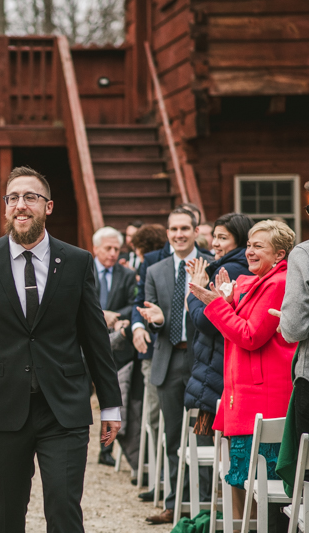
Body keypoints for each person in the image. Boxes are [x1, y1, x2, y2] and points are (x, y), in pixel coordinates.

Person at [0, 166, 122, 533]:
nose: (21, 205)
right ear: (6, 208)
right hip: (3, 405)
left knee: (64, 508)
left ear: (48, 206)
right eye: (13, 198)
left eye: (31, 197)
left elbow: (94, 339)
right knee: (7, 510)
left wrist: (110, 404)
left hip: (65, 407)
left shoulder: (77, 261)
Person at [190, 219, 296, 523]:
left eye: (257, 246)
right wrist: (226, 301)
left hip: (264, 399)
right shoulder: (260, 281)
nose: (248, 251)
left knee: (269, 489)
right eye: (248, 244)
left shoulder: (278, 283)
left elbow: (250, 336)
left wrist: (218, 306)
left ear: (278, 255)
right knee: (250, 485)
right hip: (247, 394)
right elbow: (239, 330)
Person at [136, 208, 214, 524]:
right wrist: (154, 322)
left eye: (184, 228)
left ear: (195, 231)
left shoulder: (210, 263)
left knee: (204, 435)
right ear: (167, 233)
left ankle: (206, 506)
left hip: (202, 360)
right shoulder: (155, 270)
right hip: (169, 359)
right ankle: (174, 503)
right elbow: (149, 311)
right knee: (172, 436)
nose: (179, 234)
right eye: (173, 229)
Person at [184, 213, 253, 435]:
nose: (214, 243)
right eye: (214, 236)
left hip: (219, 365)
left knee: (217, 443)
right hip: (220, 363)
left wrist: (194, 291)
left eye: (223, 238)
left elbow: (205, 321)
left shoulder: (229, 269)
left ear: (240, 240)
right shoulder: (238, 265)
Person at [92, 226, 138, 468]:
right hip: (84, 343)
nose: (112, 253)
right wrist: (101, 315)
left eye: (116, 249)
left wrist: (116, 315)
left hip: (116, 345)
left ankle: (106, 448)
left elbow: (134, 304)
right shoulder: (84, 270)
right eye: (107, 248)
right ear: (95, 248)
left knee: (111, 397)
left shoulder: (127, 275)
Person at [129, 223, 168, 498]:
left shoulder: (203, 259)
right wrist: (137, 326)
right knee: (153, 417)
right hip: (153, 350)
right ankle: (158, 481)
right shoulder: (151, 263)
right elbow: (139, 302)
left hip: (185, 351)